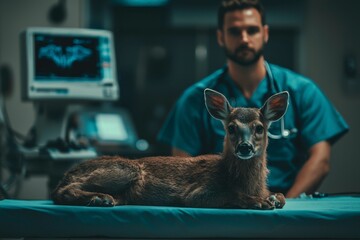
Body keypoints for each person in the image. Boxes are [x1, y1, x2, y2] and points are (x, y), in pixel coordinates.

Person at [157, 0, 349, 198]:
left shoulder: (302, 91)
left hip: (287, 207)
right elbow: (182, 164)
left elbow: (321, 160)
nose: (244, 39)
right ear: (220, 37)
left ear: (265, 33)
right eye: (234, 31)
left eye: (252, 30)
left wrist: (285, 209)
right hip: (223, 209)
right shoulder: (195, 99)